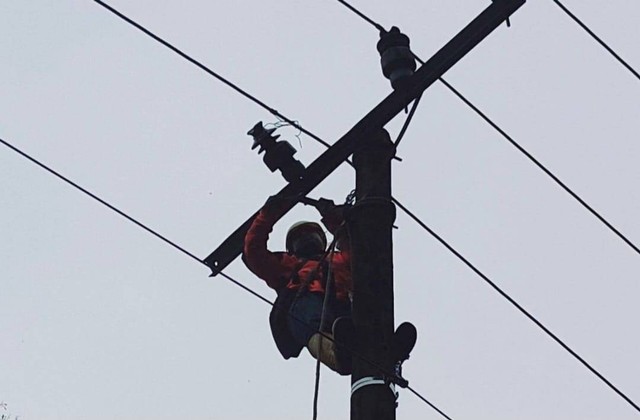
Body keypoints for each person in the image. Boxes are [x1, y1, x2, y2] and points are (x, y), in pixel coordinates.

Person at [243, 196, 353, 375]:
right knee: (310, 317)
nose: (306, 238)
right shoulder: (285, 264)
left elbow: (360, 249)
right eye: (300, 237)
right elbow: (254, 251)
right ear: (291, 247)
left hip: (342, 306)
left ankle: (386, 350)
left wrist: (334, 219)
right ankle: (337, 355)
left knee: (365, 316)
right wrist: (268, 215)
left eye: (310, 234)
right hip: (307, 308)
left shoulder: (339, 259)